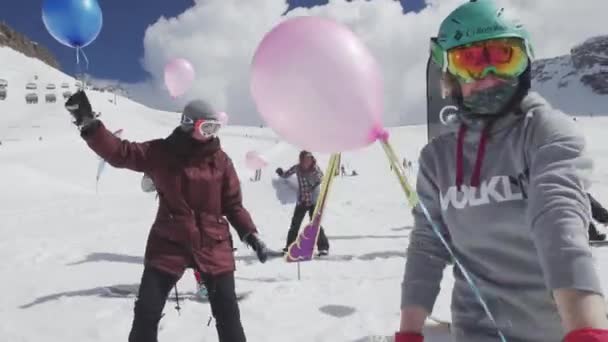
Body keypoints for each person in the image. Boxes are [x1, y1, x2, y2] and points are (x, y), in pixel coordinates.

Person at [395, 1, 608, 341]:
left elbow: (559, 222)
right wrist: (409, 331)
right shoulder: (438, 159)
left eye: (502, 57)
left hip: (557, 330)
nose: (487, 76)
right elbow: (427, 247)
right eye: (470, 62)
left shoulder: (546, 132)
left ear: (523, 63)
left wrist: (587, 330)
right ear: (450, 75)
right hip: (475, 331)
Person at [65, 91, 269, 342]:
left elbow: (233, 205)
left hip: (213, 244)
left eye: (215, 127)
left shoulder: (221, 161)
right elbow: (121, 153)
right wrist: (90, 125)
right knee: (146, 313)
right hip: (169, 243)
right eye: (206, 127)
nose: (211, 134)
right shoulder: (161, 152)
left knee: (228, 315)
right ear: (188, 124)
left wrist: (251, 234)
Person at [276, 150, 329, 255]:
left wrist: (312, 177)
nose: (307, 162)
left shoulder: (315, 169)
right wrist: (281, 173)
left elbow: (321, 178)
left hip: (313, 201)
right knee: (295, 224)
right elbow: (287, 174)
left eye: (309, 159)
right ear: (301, 160)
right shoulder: (297, 168)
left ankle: (323, 247)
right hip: (302, 201)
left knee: (315, 224)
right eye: (304, 160)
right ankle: (289, 247)